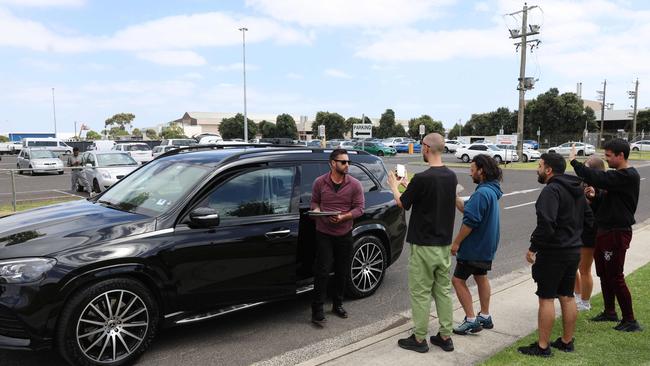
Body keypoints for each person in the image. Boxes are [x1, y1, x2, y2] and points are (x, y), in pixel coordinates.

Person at [387, 133, 457, 353]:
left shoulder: (423, 178)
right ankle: (445, 336)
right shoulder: (451, 176)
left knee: (421, 292)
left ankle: (419, 338)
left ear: (427, 148)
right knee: (443, 290)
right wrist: (408, 183)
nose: (420, 149)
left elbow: (402, 203)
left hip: (423, 244)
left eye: (421, 146)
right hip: (443, 243)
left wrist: (393, 185)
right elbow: (427, 195)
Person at [518, 153, 593, 357]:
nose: (537, 169)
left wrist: (533, 248)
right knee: (567, 296)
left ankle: (543, 347)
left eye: (540, 165)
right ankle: (567, 341)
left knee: (546, 298)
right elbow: (589, 219)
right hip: (573, 250)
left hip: (554, 252)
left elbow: (546, 225)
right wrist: (574, 236)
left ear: (549, 169)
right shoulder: (577, 189)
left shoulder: (551, 191)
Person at [570, 140, 642, 332]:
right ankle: (610, 312)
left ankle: (630, 320)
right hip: (604, 230)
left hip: (617, 232)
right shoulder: (618, 177)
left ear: (620, 155)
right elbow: (607, 199)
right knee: (603, 273)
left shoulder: (628, 175)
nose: (606, 159)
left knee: (616, 276)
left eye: (609, 156)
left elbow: (599, 178)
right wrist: (595, 196)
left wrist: (575, 163)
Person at [310, 149, 365, 325]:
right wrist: (317, 211)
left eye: (348, 162)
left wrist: (344, 216)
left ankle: (337, 304)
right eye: (343, 162)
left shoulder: (355, 184)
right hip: (324, 233)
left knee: (342, 271)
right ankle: (317, 311)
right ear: (333, 163)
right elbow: (315, 202)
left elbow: (359, 209)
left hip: (344, 233)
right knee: (322, 271)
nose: (347, 165)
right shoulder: (319, 182)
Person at [450, 155, 503, 335]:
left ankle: (471, 319)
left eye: (472, 169)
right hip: (486, 247)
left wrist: (456, 243)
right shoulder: (491, 190)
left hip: (474, 247)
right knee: (481, 277)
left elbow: (470, 220)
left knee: (457, 280)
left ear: (481, 170)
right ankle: (485, 316)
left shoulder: (481, 193)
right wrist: (455, 196)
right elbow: (469, 207)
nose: (470, 173)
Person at [573, 156, 606, 311]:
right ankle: (577, 295)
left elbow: (598, 211)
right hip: (576, 231)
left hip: (589, 233)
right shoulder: (583, 184)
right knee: (572, 266)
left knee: (584, 269)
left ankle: (585, 302)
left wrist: (592, 200)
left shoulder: (601, 188)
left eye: (586, 167)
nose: (583, 171)